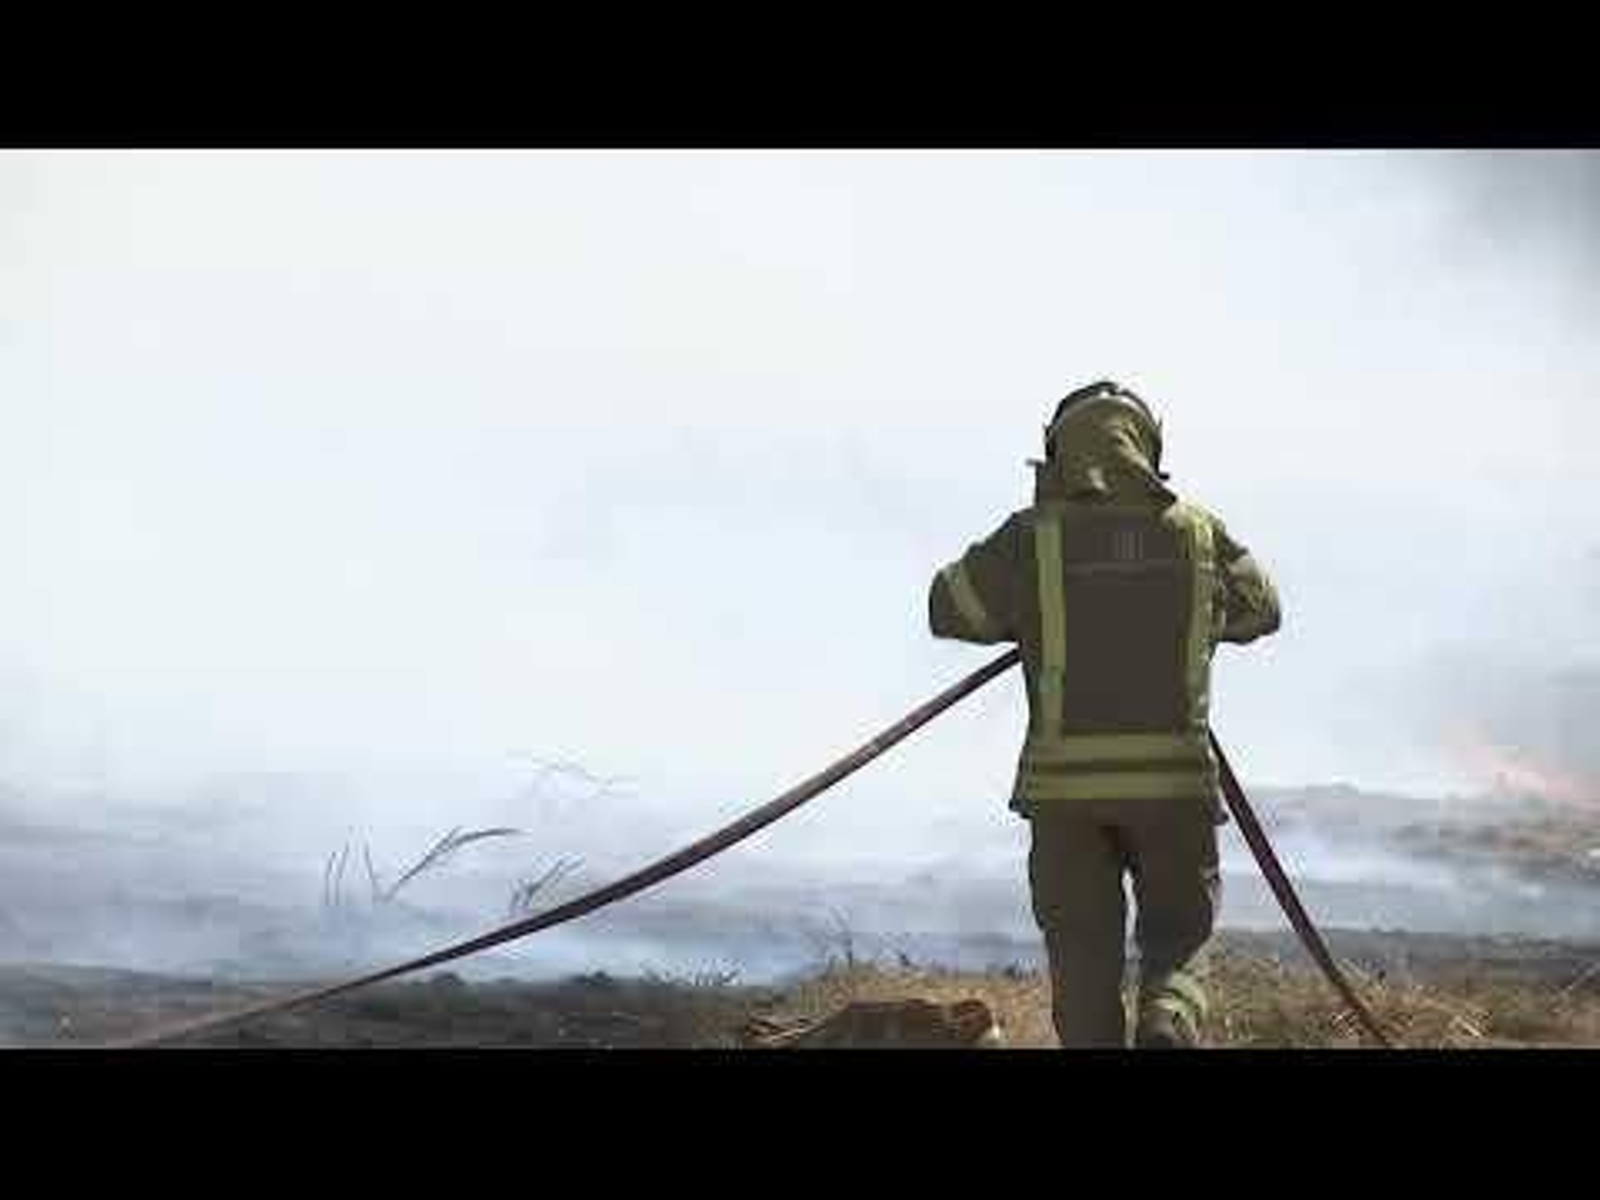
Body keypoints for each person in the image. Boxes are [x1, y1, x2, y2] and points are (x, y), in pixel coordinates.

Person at [927, 381, 1281, 1048]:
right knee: (1178, 941)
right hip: (1173, 793)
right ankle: (1168, 1021)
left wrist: (1034, 577)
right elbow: (1263, 608)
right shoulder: (1199, 533)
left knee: (1082, 962)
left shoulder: (1035, 539)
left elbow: (948, 606)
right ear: (1148, 450)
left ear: (1059, 454)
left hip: (1065, 803)